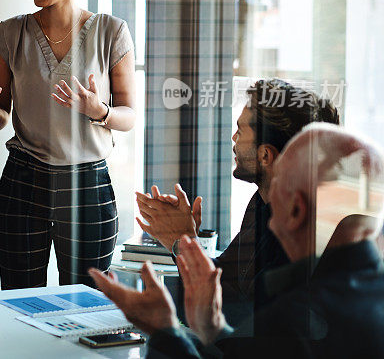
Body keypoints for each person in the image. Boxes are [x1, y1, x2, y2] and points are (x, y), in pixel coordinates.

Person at [91, 124, 384, 358]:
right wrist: (214, 329)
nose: (271, 217)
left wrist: (164, 331)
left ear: (296, 210)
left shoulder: (294, 321)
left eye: (279, 190)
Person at [0, 0, 136, 288]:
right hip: (24, 180)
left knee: (87, 302)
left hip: (87, 184)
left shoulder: (112, 32)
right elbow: (0, 119)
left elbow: (129, 117)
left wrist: (99, 111)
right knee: (18, 297)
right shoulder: (9, 34)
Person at [135, 79, 339, 324]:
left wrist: (183, 241)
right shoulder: (265, 203)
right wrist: (182, 240)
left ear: (265, 155)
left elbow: (238, 314)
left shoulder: (300, 232)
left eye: (240, 131)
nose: (233, 137)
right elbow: (225, 279)